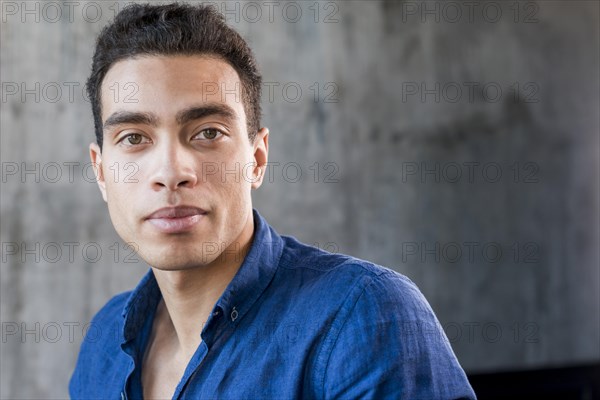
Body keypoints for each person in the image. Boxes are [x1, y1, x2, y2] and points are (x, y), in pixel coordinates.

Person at [69, 3, 476, 399]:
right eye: (134, 138)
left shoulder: (363, 316)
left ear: (257, 159)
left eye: (208, 132)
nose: (172, 172)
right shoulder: (105, 339)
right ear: (101, 172)